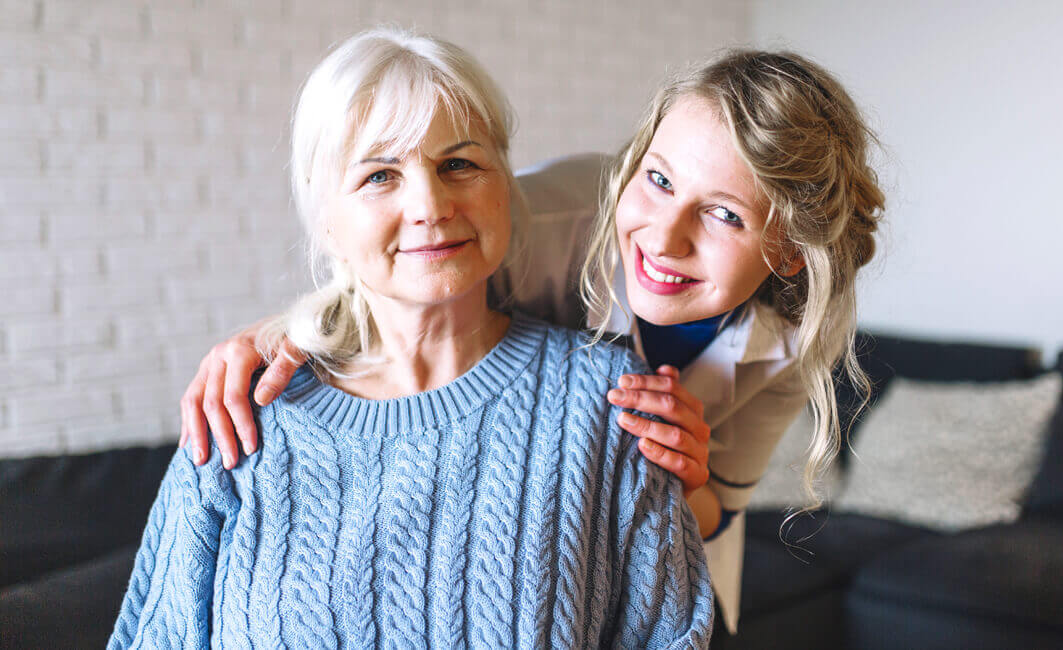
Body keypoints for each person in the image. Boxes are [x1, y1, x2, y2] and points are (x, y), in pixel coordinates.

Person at [180, 46, 884, 636]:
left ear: (790, 251)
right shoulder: (539, 221)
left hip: (668, 565)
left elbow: (716, 510)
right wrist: (273, 335)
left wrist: (686, 477)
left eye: (725, 215)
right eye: (659, 179)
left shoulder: (791, 343)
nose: (664, 238)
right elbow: (395, 264)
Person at [109, 27, 713, 649]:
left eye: (460, 164)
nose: (430, 203)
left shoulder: (609, 405)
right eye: (379, 175)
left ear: (505, 186)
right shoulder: (241, 420)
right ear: (326, 218)